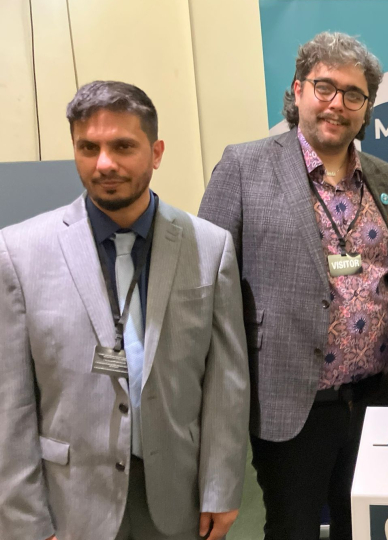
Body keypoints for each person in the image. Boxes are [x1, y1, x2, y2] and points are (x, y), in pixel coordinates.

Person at [0, 81, 249, 540]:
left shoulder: (210, 247)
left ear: (155, 152)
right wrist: (25, 522)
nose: (105, 163)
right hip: (71, 502)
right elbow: (10, 402)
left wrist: (220, 487)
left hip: (178, 499)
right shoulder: (19, 251)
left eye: (123, 146)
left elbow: (226, 383)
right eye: (88, 147)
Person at [198, 31, 388, 540]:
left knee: (363, 525)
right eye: (324, 87)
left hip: (372, 399)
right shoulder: (244, 166)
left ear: (367, 108)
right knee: (292, 527)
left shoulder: (384, 180)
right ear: (297, 91)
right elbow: (207, 281)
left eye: (354, 94)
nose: (337, 104)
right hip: (289, 399)